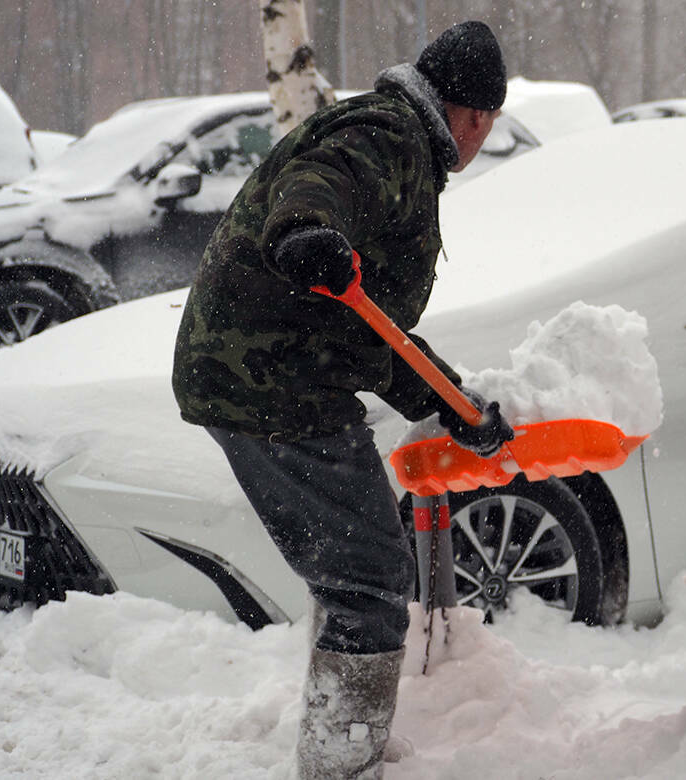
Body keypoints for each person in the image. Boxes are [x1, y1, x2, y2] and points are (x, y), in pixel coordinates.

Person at [171, 21, 514, 780]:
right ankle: (340, 766)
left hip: (276, 370)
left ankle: (341, 742)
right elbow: (321, 182)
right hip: (268, 381)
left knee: (354, 577)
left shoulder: (402, 143)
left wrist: (457, 408)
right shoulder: (387, 137)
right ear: (475, 117)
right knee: (366, 582)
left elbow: (373, 330)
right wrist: (307, 229)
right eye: (486, 126)